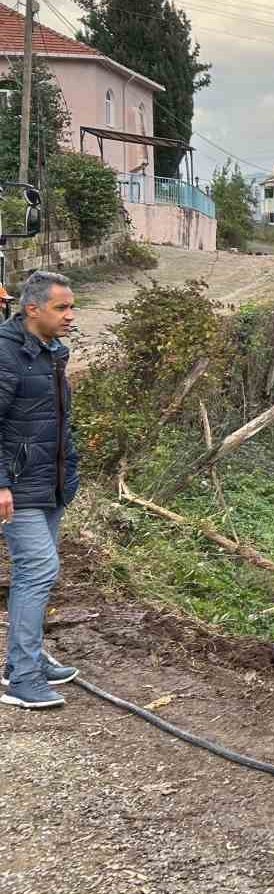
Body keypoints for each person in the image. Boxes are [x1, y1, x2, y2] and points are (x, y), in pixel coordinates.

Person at [0, 271, 80, 709]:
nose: (70, 315)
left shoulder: (50, 351)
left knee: (38, 575)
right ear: (33, 309)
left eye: (72, 307)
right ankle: (23, 679)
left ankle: (24, 660)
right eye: (62, 308)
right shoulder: (5, 353)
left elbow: (54, 420)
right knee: (39, 571)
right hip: (15, 488)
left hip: (47, 484)